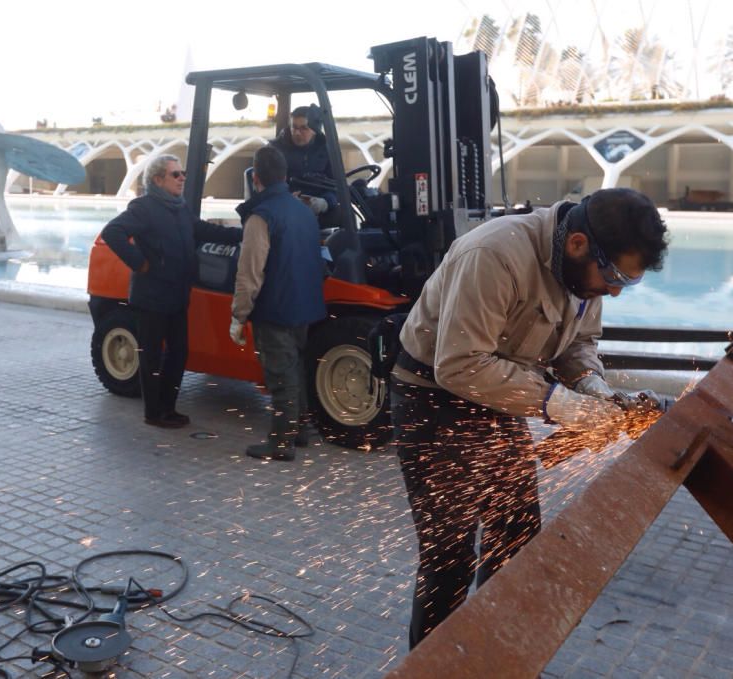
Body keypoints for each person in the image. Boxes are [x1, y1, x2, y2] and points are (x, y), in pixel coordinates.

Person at [390, 188, 668, 648]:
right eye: (615, 275)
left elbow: (578, 342)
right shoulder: (494, 254)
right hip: (432, 397)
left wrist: (591, 386)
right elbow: (459, 365)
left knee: (515, 539)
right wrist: (559, 405)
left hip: (504, 392)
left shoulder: (583, 271)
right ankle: (432, 666)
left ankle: (498, 657)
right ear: (578, 243)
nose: (616, 289)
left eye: (629, 282)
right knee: (450, 556)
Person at [101, 154, 241, 428]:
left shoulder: (179, 207)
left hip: (177, 294)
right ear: (158, 180)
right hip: (152, 296)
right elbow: (113, 232)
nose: (182, 178)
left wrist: (240, 234)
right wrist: (139, 262)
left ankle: (169, 407)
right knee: (152, 355)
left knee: (179, 352)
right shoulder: (144, 208)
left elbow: (200, 230)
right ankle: (154, 413)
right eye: (175, 174)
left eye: (182, 172)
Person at [230, 146, 326, 461]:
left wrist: (238, 315)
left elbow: (250, 272)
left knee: (280, 376)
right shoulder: (303, 210)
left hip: (276, 308)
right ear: (284, 176)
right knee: (295, 368)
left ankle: (281, 443)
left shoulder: (261, 216)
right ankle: (299, 431)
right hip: (306, 306)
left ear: (255, 178)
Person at [270, 104, 339, 224]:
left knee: (345, 216)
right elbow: (267, 187)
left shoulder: (327, 149)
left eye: (303, 128)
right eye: (294, 127)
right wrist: (288, 199)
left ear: (315, 129)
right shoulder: (274, 151)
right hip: (285, 210)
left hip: (318, 208)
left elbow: (337, 185)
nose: (297, 133)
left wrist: (325, 202)